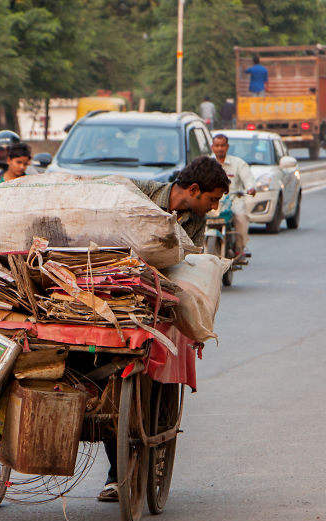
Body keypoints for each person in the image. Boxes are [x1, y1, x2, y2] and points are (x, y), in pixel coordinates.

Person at [97, 156, 230, 502]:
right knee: (108, 383)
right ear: (194, 189)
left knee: (141, 385)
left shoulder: (197, 222)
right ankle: (117, 473)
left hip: (152, 301)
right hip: (105, 291)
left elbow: (186, 264)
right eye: (212, 200)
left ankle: (126, 466)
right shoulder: (139, 192)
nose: (213, 208)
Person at [210, 133, 255, 256]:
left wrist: (251, 188)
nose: (220, 148)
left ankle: (240, 248)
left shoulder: (238, 163)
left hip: (233, 199)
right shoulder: (207, 163)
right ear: (212, 147)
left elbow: (248, 179)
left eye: (222, 145)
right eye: (217, 145)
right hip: (212, 201)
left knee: (241, 216)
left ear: (227, 147)